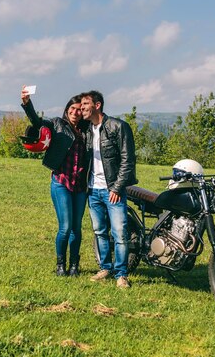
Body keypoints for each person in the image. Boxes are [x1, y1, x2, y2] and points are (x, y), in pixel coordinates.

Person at [21, 86, 89, 277]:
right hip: (61, 182)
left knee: (77, 228)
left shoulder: (87, 131)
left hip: (81, 186)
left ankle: (74, 266)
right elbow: (37, 121)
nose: (75, 113)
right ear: (67, 109)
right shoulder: (58, 124)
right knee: (65, 227)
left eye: (79, 110)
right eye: (72, 109)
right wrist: (27, 104)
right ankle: (61, 265)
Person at [80, 90, 137, 289]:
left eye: (85, 104)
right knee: (100, 231)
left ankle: (121, 274)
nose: (82, 108)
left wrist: (117, 188)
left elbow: (127, 161)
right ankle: (105, 267)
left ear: (97, 105)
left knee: (120, 233)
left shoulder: (118, 127)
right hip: (92, 190)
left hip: (113, 190)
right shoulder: (87, 129)